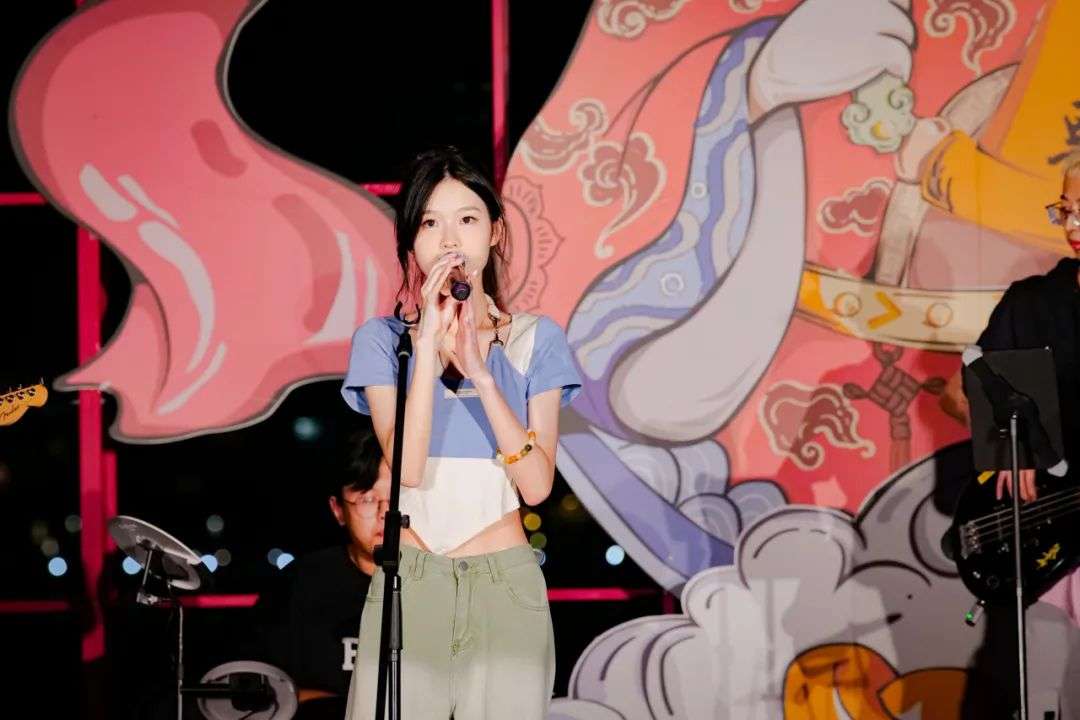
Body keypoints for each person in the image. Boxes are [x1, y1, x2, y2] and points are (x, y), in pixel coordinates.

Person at [339, 146, 581, 720]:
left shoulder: (534, 339)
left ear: (494, 232)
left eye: (467, 219)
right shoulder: (384, 342)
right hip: (412, 580)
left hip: (504, 583)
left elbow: (537, 485)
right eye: (429, 223)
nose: (449, 239)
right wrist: (427, 346)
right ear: (410, 242)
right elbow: (408, 469)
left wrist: (480, 370)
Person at [940, 160, 1080, 503]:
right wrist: (1010, 443)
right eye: (1066, 211)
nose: (1071, 227)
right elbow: (960, 391)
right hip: (1047, 506)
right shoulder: (1030, 303)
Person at [254, 427, 389, 720]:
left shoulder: (441, 585)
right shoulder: (299, 585)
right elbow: (264, 690)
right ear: (338, 510)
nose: (384, 513)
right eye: (367, 499)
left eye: (397, 498)